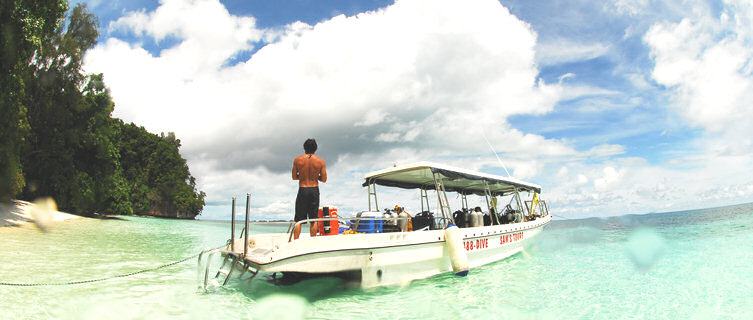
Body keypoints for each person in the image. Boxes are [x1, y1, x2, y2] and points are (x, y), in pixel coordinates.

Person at [292, 138, 327, 240]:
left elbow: (294, 177)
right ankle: (312, 242)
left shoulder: (297, 160)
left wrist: (302, 177)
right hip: (314, 190)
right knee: (314, 219)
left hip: (303, 189)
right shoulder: (320, 161)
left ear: (304, 148)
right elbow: (324, 179)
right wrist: (315, 177)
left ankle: (295, 242)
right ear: (315, 148)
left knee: (298, 220)